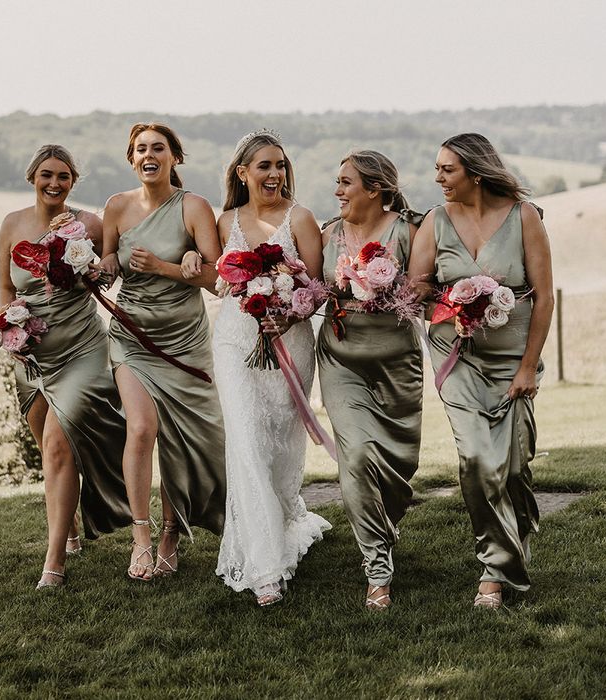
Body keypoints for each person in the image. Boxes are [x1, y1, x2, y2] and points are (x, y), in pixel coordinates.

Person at [408, 133, 554, 608]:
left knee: (512, 465)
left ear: (474, 171)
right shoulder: (435, 221)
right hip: (458, 358)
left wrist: (529, 366)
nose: (438, 178)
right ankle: (493, 572)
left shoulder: (523, 217)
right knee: (476, 461)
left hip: (513, 360)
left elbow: (544, 297)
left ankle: (518, 535)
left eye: (446, 170)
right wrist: (450, 298)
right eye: (436, 169)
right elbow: (417, 286)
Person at [199, 129, 331, 606]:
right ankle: (264, 567)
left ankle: (283, 518)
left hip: (291, 343)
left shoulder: (302, 218)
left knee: (280, 446)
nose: (275, 174)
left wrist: (287, 311)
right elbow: (219, 283)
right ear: (242, 173)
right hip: (236, 342)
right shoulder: (225, 219)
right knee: (248, 441)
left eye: (280, 165)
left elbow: (316, 289)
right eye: (264, 166)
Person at [0, 144, 130, 590]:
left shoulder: (89, 225)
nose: (54, 184)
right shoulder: (12, 225)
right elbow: (4, 289)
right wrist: (9, 328)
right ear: (32, 176)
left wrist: (95, 268)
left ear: (74, 181)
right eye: (46, 175)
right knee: (47, 447)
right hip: (33, 354)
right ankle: (67, 522)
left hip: (82, 349)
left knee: (58, 444)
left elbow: (109, 272)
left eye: (64, 177)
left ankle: (53, 562)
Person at [98, 123, 225, 582]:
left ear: (175, 157)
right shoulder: (116, 206)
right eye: (141, 149)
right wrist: (106, 264)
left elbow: (216, 278)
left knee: (179, 439)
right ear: (132, 159)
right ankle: (141, 539)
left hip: (185, 342)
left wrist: (168, 266)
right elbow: (109, 266)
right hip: (131, 337)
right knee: (142, 428)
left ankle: (173, 531)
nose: (149, 155)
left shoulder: (193, 207)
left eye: (159, 148)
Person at [317, 150, 423, 611]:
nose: (337, 191)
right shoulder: (327, 235)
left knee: (399, 467)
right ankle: (377, 568)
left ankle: (384, 521)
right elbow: (305, 287)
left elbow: (427, 286)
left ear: (374, 189)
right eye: (337, 182)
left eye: (346, 183)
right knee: (356, 456)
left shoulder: (410, 231)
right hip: (341, 358)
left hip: (398, 362)